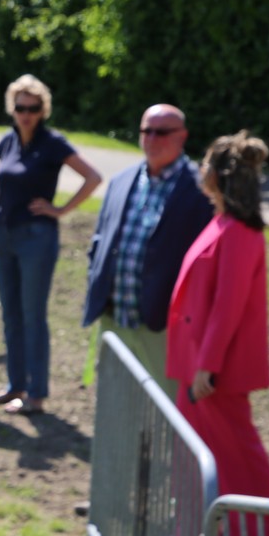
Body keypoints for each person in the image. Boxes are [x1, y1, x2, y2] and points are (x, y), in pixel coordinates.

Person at [167, 131, 269, 536]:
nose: (199, 170)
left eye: (205, 164)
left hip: (215, 372)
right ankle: (194, 534)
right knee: (194, 455)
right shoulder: (221, 222)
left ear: (218, 175)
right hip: (195, 362)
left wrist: (207, 366)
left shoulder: (240, 232)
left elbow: (228, 306)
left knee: (236, 459)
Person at [0, 75, 102, 415]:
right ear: (12, 109)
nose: (26, 114)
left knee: (33, 315)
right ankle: (14, 385)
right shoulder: (8, 141)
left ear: (43, 110)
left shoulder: (53, 143)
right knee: (10, 314)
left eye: (33, 108)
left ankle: (36, 394)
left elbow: (93, 177)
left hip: (36, 238)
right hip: (4, 236)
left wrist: (60, 209)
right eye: (20, 108)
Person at [82, 104, 213, 403]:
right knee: (116, 406)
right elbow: (100, 242)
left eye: (162, 132)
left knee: (166, 407)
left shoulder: (202, 191)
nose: (152, 139)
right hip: (115, 318)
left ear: (182, 136)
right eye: (146, 131)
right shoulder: (122, 180)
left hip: (164, 327)